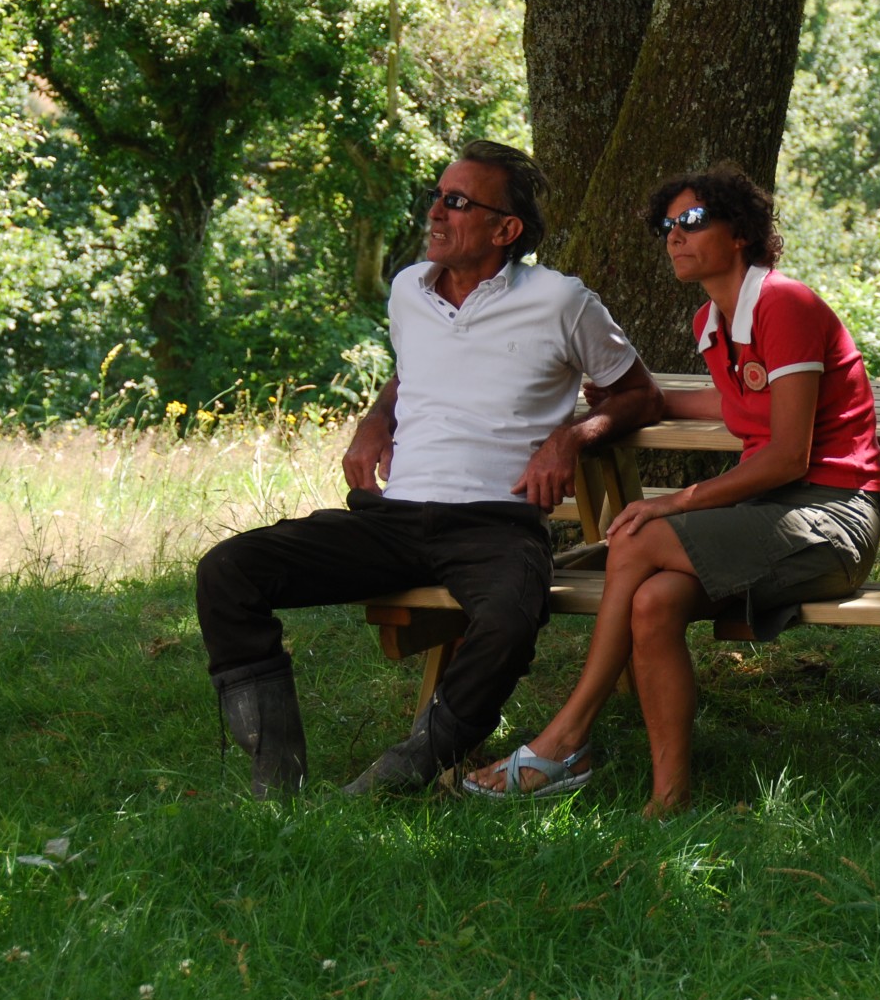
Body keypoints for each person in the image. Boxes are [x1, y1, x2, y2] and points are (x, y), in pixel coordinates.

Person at [196, 139, 664, 797]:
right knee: (229, 570)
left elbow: (639, 392)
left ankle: (409, 767)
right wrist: (377, 416)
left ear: (506, 230)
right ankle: (276, 780)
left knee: (509, 615)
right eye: (436, 196)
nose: (435, 213)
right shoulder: (409, 290)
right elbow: (416, 367)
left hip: (495, 524)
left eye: (457, 201)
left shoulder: (563, 301)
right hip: (394, 519)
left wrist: (571, 435)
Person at [466, 163, 880, 815]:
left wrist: (676, 501)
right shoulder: (712, 323)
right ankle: (669, 798)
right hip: (771, 518)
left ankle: (566, 735)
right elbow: (734, 401)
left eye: (691, 222)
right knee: (655, 601)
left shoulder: (785, 304)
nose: (674, 237)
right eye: (667, 226)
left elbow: (785, 454)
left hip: (831, 518)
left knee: (636, 535)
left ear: (740, 231)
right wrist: (634, 400)